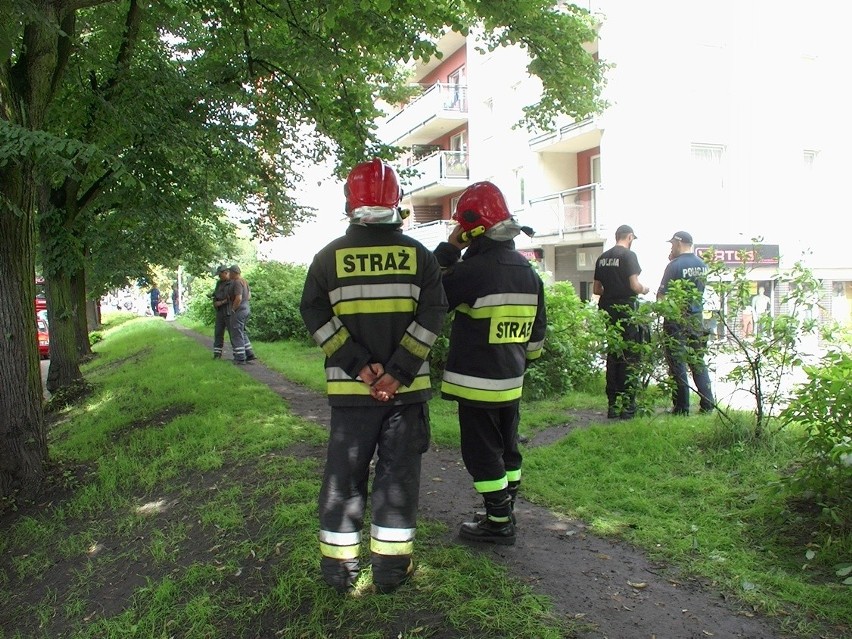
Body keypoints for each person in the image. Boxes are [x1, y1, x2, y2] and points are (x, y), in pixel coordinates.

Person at [299, 158, 448, 594]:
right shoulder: (420, 257)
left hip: (350, 394)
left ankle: (339, 573)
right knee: (397, 478)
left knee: (344, 479)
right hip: (406, 394)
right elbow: (433, 316)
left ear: (350, 202)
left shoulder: (328, 258)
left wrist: (358, 365)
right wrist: (398, 372)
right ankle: (389, 573)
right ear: (396, 203)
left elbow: (315, 314)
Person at [434, 181, 546, 546]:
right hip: (511, 381)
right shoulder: (528, 272)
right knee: (508, 447)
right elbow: (537, 333)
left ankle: (498, 522)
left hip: (476, 383)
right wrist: (518, 364)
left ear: (473, 228)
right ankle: (506, 509)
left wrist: (449, 250)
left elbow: (430, 296)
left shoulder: (473, 271)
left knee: (481, 452)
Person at [593, 224, 650, 420]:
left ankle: (612, 406)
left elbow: (596, 290)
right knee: (630, 356)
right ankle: (628, 407)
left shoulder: (602, 257)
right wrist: (645, 289)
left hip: (608, 311)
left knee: (614, 354)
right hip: (627, 311)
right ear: (630, 237)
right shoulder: (628, 256)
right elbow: (634, 286)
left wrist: (612, 291)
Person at [657, 231, 714, 415]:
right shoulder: (702, 265)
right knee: (697, 360)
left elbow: (662, 297)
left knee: (677, 362)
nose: (671, 247)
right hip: (696, 318)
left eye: (672, 244)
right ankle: (708, 405)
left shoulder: (674, 265)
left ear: (678, 243)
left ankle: (682, 408)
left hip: (676, 319)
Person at [227, 264, 256, 364]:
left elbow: (238, 298)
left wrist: (233, 309)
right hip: (246, 308)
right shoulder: (244, 281)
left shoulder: (237, 282)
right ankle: (249, 353)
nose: (228, 274)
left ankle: (240, 357)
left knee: (236, 332)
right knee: (242, 331)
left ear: (234, 273)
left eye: (230, 272)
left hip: (239, 310)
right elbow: (248, 296)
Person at [211, 265, 231, 358]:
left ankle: (238, 354)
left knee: (232, 332)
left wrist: (222, 302)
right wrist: (215, 301)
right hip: (219, 311)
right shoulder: (219, 283)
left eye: (220, 275)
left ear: (226, 273)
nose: (219, 277)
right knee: (218, 332)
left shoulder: (232, 282)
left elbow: (232, 297)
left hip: (228, 310)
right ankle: (217, 354)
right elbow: (216, 294)